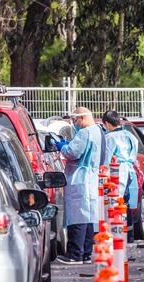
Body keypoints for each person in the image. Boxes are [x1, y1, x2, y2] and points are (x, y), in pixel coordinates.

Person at [55, 107, 106, 264]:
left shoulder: (84, 133)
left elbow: (73, 153)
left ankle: (74, 254)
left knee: (77, 217)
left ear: (82, 118)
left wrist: (62, 146)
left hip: (79, 179)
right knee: (89, 217)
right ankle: (85, 253)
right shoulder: (99, 132)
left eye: (75, 120)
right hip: (91, 178)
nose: (74, 123)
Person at [102, 110, 139, 242]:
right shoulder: (130, 135)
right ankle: (129, 235)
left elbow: (106, 159)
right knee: (126, 202)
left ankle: (116, 233)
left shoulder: (109, 138)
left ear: (107, 123)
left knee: (115, 202)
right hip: (130, 171)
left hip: (116, 171)